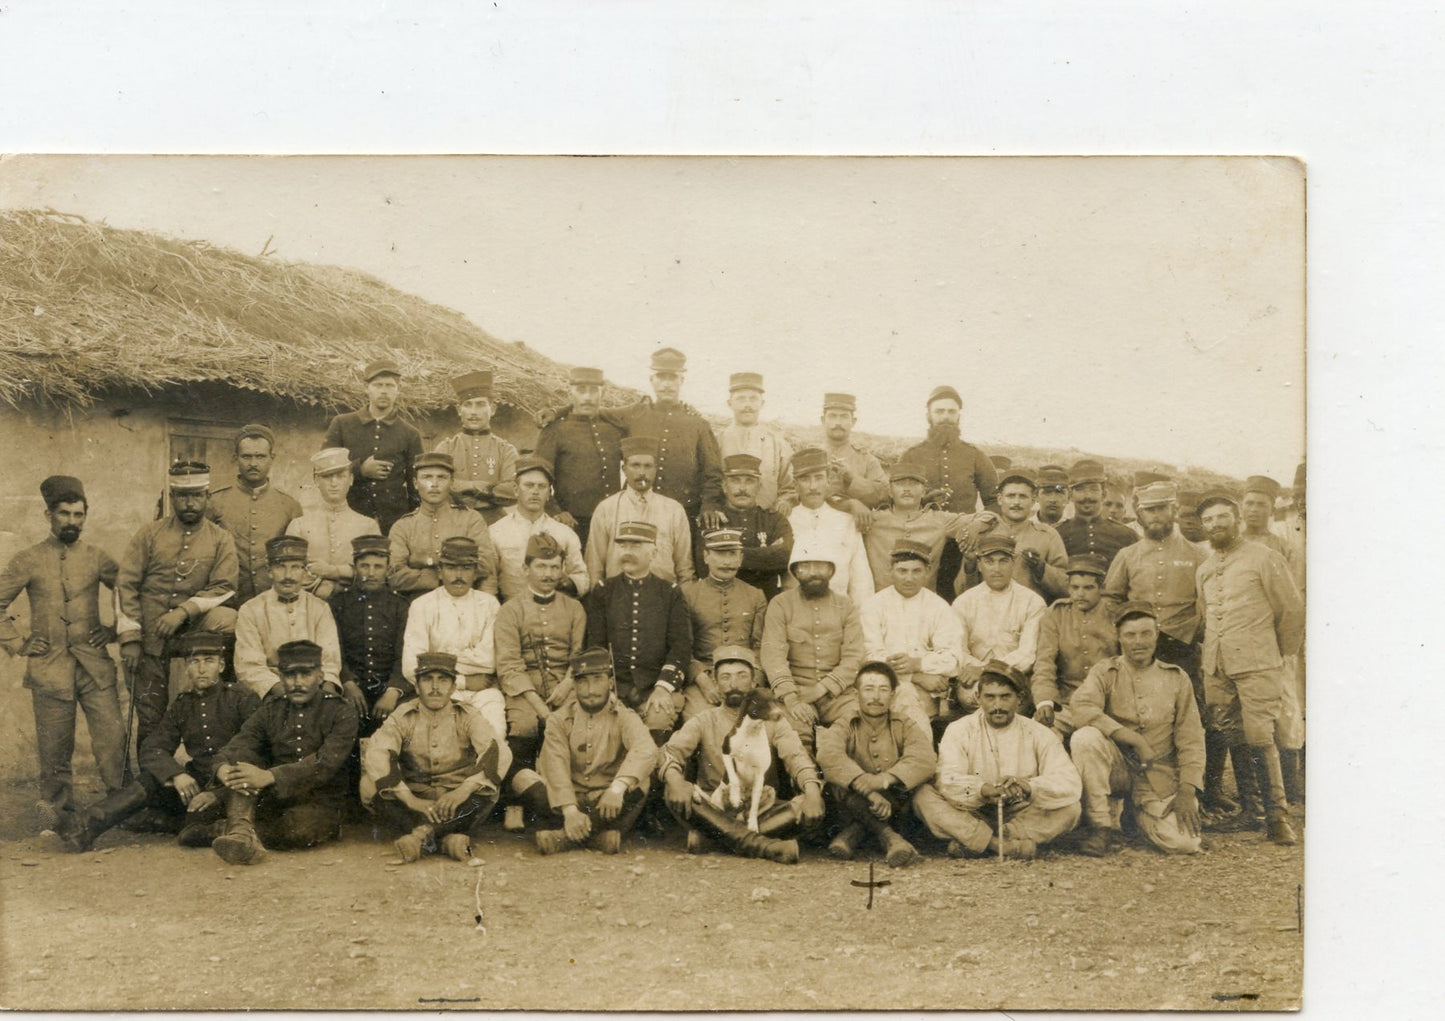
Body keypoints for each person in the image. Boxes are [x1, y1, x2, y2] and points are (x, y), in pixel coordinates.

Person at [57, 632, 262, 852]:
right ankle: (84, 826)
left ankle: (208, 827)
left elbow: (258, 751)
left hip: (234, 789)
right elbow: (152, 747)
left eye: (209, 661)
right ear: (186, 668)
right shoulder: (182, 704)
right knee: (151, 779)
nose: (201, 669)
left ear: (221, 666)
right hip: (196, 784)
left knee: (188, 833)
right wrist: (176, 774)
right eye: (194, 662)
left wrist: (217, 794)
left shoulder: (241, 698)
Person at [0, 475, 126, 829]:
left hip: (94, 667)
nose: (72, 521)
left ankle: (121, 808)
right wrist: (17, 642)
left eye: (79, 514)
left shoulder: (97, 557)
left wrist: (114, 630)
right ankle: (58, 817)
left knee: (112, 743)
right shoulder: (28, 559)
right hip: (49, 668)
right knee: (55, 752)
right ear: (48, 515)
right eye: (65, 514)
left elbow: (128, 590)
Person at [1101, 480, 1232, 819]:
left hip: (1183, 649)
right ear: (1139, 514)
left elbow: (1208, 605)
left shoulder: (1196, 555)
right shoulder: (1127, 556)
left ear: (1174, 510)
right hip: (1139, 650)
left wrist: (1195, 636)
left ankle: (1206, 792)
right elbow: (1112, 599)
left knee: (1198, 719)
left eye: (1162, 508)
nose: (1156, 516)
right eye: (1149, 510)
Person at [1195, 490, 1304, 845]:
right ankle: (1250, 811)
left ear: (1237, 519)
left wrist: (1281, 655)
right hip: (1218, 666)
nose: (1215, 524)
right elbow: (1205, 615)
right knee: (1232, 735)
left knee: (1261, 736)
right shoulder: (1206, 569)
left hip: (1258, 664)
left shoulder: (1265, 557)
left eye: (1222, 517)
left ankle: (1278, 816)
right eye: (1208, 520)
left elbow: (1291, 611)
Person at [659, 646, 825, 863]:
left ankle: (713, 839)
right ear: (716, 684)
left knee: (808, 803)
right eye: (726, 678)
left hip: (761, 808)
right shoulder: (704, 719)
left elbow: (796, 756)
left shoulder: (773, 720)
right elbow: (669, 752)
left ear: (754, 681)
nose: (734, 684)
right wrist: (675, 780)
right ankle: (765, 846)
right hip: (714, 807)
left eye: (741, 676)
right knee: (676, 792)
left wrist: (812, 791)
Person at [116, 461, 239, 753]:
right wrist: (130, 638)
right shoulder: (149, 534)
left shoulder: (221, 538)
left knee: (229, 618)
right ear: (172, 498)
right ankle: (151, 784)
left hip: (192, 636)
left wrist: (183, 611)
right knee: (150, 715)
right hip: (150, 637)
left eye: (197, 495)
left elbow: (225, 586)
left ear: (208, 497)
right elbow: (126, 585)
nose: (190, 503)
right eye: (183, 496)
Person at [1069, 602, 1206, 857]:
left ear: (1156, 634)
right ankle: (1101, 826)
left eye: (1146, 633)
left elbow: (1192, 738)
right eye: (1130, 635)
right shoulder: (1105, 671)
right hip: (1117, 767)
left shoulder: (1176, 678)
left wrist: (1188, 789)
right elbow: (1082, 708)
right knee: (1085, 738)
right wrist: (1131, 738)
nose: (1138, 642)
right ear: (1119, 638)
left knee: (1184, 843)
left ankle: (1135, 817)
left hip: (1158, 775)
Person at [209, 640, 360, 864]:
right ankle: (240, 832)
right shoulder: (272, 709)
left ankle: (229, 828)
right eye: (290, 675)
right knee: (244, 757)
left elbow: (325, 763)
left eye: (305, 674)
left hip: (321, 800)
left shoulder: (341, 711)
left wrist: (269, 776)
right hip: (276, 796)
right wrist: (223, 768)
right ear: (280, 677)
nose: (297, 682)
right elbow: (239, 744)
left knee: (297, 829)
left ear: (320, 676)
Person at [912, 662, 1082, 859]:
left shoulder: (1038, 732)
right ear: (978, 697)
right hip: (973, 811)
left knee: (1071, 808)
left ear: (1019, 699)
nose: (997, 706)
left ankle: (979, 841)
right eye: (990, 697)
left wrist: (1028, 786)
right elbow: (947, 779)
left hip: (1020, 813)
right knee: (923, 797)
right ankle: (1000, 846)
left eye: (1005, 697)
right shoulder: (959, 729)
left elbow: (1068, 781)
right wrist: (983, 790)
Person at [363, 651, 510, 863]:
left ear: (452, 686)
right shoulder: (403, 715)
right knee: (368, 785)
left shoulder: (467, 715)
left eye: (443, 680)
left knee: (489, 788)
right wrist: (410, 799)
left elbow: (497, 751)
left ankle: (420, 837)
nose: (434, 688)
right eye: (427, 680)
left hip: (458, 801)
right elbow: (378, 752)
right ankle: (447, 841)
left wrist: (464, 790)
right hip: (416, 798)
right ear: (416, 686)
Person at [493, 533, 588, 829]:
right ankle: (515, 802)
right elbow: (508, 664)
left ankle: (571, 798)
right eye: (541, 567)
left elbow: (579, 655)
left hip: (567, 685)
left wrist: (568, 685)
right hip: (524, 690)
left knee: (578, 726)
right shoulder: (510, 609)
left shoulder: (574, 608)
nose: (548, 574)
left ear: (562, 570)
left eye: (554, 567)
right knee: (523, 726)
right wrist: (537, 703)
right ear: (526, 569)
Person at [533, 647, 658, 855]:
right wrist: (570, 810)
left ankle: (564, 839)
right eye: (582, 681)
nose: (590, 689)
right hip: (568, 799)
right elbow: (555, 765)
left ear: (610, 682)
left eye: (598, 679)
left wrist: (617, 788)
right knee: (524, 779)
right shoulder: (559, 719)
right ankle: (598, 838)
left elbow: (646, 748)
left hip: (606, 801)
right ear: (573, 685)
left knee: (642, 783)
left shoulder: (624, 715)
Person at [814, 661, 937, 867]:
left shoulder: (904, 724)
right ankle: (890, 838)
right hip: (854, 802)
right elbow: (828, 754)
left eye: (883, 690)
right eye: (869, 689)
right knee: (838, 785)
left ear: (893, 694)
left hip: (894, 805)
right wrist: (867, 787)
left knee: (913, 786)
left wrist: (883, 780)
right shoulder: (846, 723)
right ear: (856, 694)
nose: (876, 697)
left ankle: (852, 835)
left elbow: (925, 758)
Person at [593, 347, 725, 529]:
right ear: (652, 380)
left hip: (684, 512)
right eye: (661, 377)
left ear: (682, 381)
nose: (667, 384)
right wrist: (556, 411)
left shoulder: (698, 424)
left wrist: (710, 504)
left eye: (673, 378)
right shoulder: (635, 413)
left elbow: (713, 472)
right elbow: (590, 411)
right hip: (636, 511)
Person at [584, 521, 692, 743]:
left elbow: (681, 646)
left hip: (655, 686)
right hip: (614, 687)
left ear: (653, 551)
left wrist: (663, 688)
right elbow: (596, 645)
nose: (627, 553)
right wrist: (607, 688)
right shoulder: (604, 590)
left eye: (635, 546)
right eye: (623, 546)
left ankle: (654, 778)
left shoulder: (670, 593)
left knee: (659, 719)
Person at [400, 537, 507, 742]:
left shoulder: (489, 604)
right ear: (440, 571)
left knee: (494, 737)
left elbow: (489, 660)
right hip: (438, 691)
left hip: (483, 692)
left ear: (475, 573)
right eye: (451, 568)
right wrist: (464, 680)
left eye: (466, 568)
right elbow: (411, 666)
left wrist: (438, 659)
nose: (459, 575)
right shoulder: (422, 605)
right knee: (447, 741)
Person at [760, 543, 864, 752]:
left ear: (831, 571)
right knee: (796, 737)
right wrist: (791, 699)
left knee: (857, 729)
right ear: (795, 571)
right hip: (795, 691)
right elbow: (773, 656)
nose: (813, 573)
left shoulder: (846, 606)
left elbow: (855, 657)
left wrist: (821, 688)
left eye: (820, 566)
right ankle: (807, 783)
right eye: (806, 566)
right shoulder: (780, 604)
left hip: (838, 695)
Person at [900, 384, 1000, 597]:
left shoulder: (975, 456)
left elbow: (994, 500)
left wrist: (977, 526)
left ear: (958, 416)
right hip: (922, 542)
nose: (945, 417)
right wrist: (923, 500)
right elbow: (897, 499)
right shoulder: (911, 455)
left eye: (951, 412)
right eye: (939, 411)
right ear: (928, 415)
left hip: (964, 545)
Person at [859, 538, 963, 736]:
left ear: (927, 571)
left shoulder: (939, 607)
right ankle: (924, 759)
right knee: (905, 700)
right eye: (902, 571)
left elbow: (953, 659)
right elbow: (869, 656)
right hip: (883, 686)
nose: (909, 578)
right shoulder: (873, 606)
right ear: (890, 570)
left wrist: (918, 663)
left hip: (928, 691)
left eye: (916, 571)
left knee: (910, 708)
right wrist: (914, 675)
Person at [233, 536, 345, 704]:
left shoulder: (319, 608)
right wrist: (282, 692)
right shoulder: (250, 610)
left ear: (304, 572)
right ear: (270, 571)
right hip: (271, 694)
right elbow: (249, 666)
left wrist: (326, 696)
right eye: (280, 567)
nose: (288, 576)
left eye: (295, 568)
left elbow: (330, 661)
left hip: (313, 690)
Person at [862, 462, 997, 597]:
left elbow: (991, 517)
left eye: (914, 484)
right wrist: (854, 504)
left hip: (924, 603)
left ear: (924, 491)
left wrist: (976, 525)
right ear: (890, 492)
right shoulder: (873, 520)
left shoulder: (939, 520)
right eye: (900, 484)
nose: (907, 489)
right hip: (880, 603)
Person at [323, 358, 425, 534]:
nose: (384, 391)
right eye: (378, 385)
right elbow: (323, 470)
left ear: (397, 390)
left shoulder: (410, 433)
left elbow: (416, 484)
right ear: (367, 389)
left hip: (394, 522)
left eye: (390, 386)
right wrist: (359, 470)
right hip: (349, 516)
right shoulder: (342, 424)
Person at [206, 423, 302, 604]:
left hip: (274, 600)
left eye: (260, 457)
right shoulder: (215, 502)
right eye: (246, 457)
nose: (253, 464)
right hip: (228, 600)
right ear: (235, 458)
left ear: (272, 458)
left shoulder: (289, 505)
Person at [678, 529, 768, 721]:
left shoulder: (755, 595)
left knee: (759, 720)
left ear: (741, 558)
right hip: (706, 676)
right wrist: (703, 681)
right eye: (720, 554)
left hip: (746, 676)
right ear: (706, 556)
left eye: (732, 554)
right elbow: (682, 646)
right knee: (700, 719)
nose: (727, 561)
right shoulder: (688, 595)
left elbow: (760, 646)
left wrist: (753, 682)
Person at [951, 533, 1046, 710]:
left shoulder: (1032, 602)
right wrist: (976, 670)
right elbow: (957, 649)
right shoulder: (964, 602)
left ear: (1013, 562)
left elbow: (1027, 654)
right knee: (972, 697)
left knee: (1009, 702)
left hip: (1015, 676)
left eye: (1003, 561)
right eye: (989, 561)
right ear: (979, 565)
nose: (997, 568)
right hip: (974, 676)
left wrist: (986, 669)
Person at [532, 365, 625, 548]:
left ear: (603, 394)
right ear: (570, 393)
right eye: (581, 391)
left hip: (612, 520)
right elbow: (537, 474)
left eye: (593, 391)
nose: (587, 398)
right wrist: (557, 511)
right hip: (572, 522)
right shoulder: (555, 429)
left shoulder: (614, 428)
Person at [328, 534, 413, 732]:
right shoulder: (338, 604)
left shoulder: (400, 606)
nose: (371, 572)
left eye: (378, 566)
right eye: (365, 566)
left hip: (390, 688)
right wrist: (347, 683)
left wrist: (393, 691)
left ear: (388, 569)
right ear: (355, 568)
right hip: (349, 687)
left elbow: (405, 655)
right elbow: (334, 651)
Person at [386, 451, 499, 599]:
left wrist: (427, 569)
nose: (434, 484)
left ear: (452, 483)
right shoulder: (403, 527)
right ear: (415, 483)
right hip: (418, 603)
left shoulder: (471, 519)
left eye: (442, 477)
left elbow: (485, 564)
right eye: (427, 477)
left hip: (465, 600)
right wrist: (446, 574)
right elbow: (395, 575)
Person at [585, 436, 695, 586]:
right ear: (624, 469)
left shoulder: (673, 509)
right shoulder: (606, 508)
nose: (642, 472)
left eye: (648, 466)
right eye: (635, 465)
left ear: (656, 469)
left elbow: (684, 567)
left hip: (664, 598)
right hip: (618, 597)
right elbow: (594, 565)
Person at [1032, 553, 1118, 740]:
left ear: (1101, 588)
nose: (1080, 593)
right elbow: (1044, 662)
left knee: (1091, 740)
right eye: (1075, 587)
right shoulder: (1057, 613)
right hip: (1067, 702)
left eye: (1088, 588)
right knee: (1039, 734)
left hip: (1106, 706)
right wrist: (1045, 700)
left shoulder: (1116, 615)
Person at [488, 455, 589, 601]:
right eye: (529, 485)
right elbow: (489, 583)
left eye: (541, 486)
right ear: (516, 490)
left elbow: (582, 578)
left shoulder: (564, 533)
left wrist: (566, 582)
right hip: (510, 612)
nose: (535, 492)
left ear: (549, 493)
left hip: (553, 612)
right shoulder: (496, 532)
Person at [285, 447, 380, 600]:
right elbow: (290, 571)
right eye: (327, 476)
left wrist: (332, 571)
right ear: (316, 480)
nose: (334, 483)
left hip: (355, 605)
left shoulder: (368, 526)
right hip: (310, 606)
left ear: (351, 479)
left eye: (341, 476)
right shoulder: (299, 526)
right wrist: (322, 587)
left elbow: (375, 571)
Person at [785, 446, 873, 608]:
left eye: (818, 478)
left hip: (838, 613)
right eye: (805, 479)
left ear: (828, 481)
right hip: (795, 614)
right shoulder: (785, 519)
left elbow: (861, 580)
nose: (813, 486)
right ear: (795, 484)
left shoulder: (846, 520)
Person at [433, 370, 519, 523]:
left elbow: (513, 491)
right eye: (468, 405)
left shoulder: (506, 450)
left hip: (494, 521)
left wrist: (463, 487)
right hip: (452, 520)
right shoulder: (445, 448)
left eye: (480, 405)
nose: (473, 412)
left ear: (492, 409)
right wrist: (479, 486)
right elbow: (437, 485)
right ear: (460, 411)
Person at [706, 453, 793, 600]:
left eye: (749, 481)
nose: (742, 488)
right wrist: (765, 554)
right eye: (735, 481)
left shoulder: (774, 519)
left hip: (767, 602)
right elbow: (705, 564)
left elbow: (784, 557)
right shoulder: (713, 520)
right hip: (721, 604)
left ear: (759, 486)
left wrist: (728, 554)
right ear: (724, 486)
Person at [717, 372, 796, 513]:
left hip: (766, 520)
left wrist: (785, 501)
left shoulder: (777, 443)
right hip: (727, 521)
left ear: (762, 403)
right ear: (730, 403)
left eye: (753, 399)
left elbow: (789, 487)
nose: (747, 405)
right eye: (741, 399)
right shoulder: (717, 441)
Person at [987, 466, 1070, 601]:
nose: (1016, 502)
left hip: (1031, 613)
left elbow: (1066, 587)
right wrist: (970, 562)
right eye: (1011, 496)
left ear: (1033, 500)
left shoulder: (1048, 535)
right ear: (1000, 499)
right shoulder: (984, 532)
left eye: (1023, 497)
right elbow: (962, 587)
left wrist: (1041, 568)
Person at [818, 392, 889, 529]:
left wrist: (852, 479)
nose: (838, 423)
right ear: (823, 420)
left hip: (855, 531)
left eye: (844, 417)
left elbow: (883, 495)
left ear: (853, 421)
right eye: (832, 416)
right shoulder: (809, 457)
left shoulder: (867, 460)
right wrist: (850, 503)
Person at [1055, 459, 1137, 567]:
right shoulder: (1056, 534)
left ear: (1103, 494)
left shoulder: (1127, 535)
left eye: (1094, 490)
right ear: (1070, 495)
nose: (1087, 496)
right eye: (1080, 490)